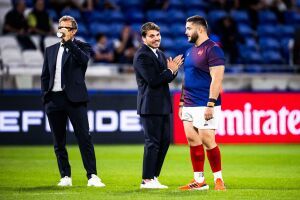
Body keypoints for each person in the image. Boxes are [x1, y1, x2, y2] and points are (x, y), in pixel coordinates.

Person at [41, 15, 105, 187]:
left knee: (84, 137)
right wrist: (46, 98)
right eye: (60, 27)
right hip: (54, 99)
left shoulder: (82, 47)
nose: (62, 30)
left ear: (74, 31)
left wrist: (69, 42)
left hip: (75, 100)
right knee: (58, 141)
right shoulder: (50, 50)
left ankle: (92, 176)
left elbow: (84, 61)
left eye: (66, 28)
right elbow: (45, 76)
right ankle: (65, 176)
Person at [133, 22, 183, 189]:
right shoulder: (142, 56)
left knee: (164, 142)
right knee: (152, 142)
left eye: (157, 35)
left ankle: (153, 177)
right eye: (152, 36)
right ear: (144, 38)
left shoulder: (160, 54)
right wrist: (169, 71)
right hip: (150, 105)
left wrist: (173, 71)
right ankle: (146, 180)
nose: (156, 38)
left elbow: (165, 78)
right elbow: (153, 81)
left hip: (162, 104)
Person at [178, 15, 226, 191]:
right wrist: (181, 103)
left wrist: (211, 104)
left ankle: (218, 179)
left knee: (207, 139)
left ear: (200, 29)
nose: (186, 32)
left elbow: (217, 79)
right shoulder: (189, 51)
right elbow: (186, 79)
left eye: (188, 28)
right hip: (189, 103)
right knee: (192, 139)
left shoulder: (213, 49)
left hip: (205, 102)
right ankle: (199, 181)